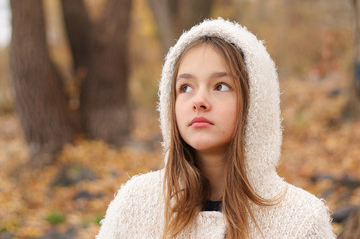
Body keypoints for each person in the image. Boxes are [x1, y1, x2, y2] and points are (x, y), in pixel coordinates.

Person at [96, 18, 336, 239]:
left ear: (255, 101)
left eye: (220, 86)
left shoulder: (301, 220)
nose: (198, 100)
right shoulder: (134, 205)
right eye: (186, 87)